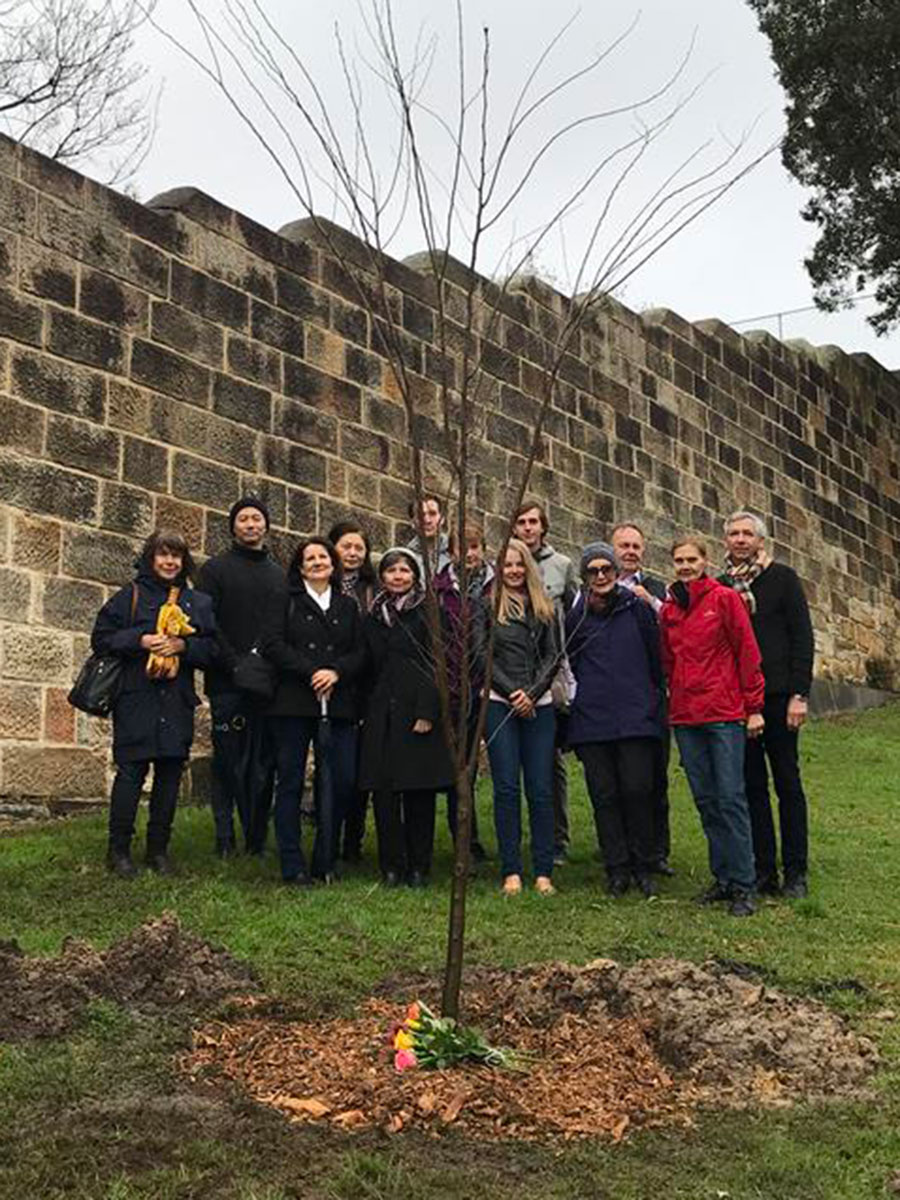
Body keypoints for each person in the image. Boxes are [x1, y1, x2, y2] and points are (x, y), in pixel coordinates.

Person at [91, 530, 216, 877]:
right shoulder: (128, 596)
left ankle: (158, 851)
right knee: (131, 773)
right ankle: (118, 851)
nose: (170, 561)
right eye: (163, 554)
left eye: (176, 556)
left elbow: (214, 649)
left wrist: (184, 647)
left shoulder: (197, 603)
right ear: (151, 557)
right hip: (136, 698)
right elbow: (101, 638)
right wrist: (141, 639)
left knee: (169, 775)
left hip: (176, 702)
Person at [660, 537, 765, 917]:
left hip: (723, 715)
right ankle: (722, 878)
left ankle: (743, 884)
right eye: (679, 560)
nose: (685, 565)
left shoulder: (724, 599)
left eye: (692, 559)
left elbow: (747, 652)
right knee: (706, 801)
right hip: (687, 718)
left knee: (730, 799)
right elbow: (668, 661)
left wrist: (753, 707)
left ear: (704, 562)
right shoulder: (670, 609)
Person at [722, 511, 815, 898]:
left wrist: (799, 694)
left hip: (779, 698)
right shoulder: (721, 586)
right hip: (741, 700)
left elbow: (802, 638)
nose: (741, 540)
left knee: (787, 783)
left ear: (760, 541)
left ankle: (795, 871)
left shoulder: (782, 579)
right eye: (734, 534)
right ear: (726, 541)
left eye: (748, 534)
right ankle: (763, 870)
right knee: (752, 787)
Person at [262, 537, 365, 885]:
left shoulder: (348, 606)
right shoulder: (284, 600)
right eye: (310, 558)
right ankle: (293, 865)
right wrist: (311, 672)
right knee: (290, 780)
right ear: (301, 566)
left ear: (333, 565)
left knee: (341, 780)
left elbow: (359, 652)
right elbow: (273, 644)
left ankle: (326, 858)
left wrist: (335, 671)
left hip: (337, 703)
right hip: (293, 702)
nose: (318, 562)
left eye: (324, 556)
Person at [566, 542, 663, 897]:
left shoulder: (637, 609)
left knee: (638, 790)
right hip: (593, 719)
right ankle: (617, 866)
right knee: (604, 795)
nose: (602, 575)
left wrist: (650, 700)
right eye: (593, 571)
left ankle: (643, 863)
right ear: (585, 576)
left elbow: (656, 658)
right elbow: (571, 662)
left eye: (607, 568)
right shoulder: (577, 617)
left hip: (636, 716)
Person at [358, 547, 454, 887]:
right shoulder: (372, 616)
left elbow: (438, 663)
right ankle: (391, 865)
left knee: (418, 794)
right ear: (382, 576)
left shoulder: (430, 612)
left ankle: (418, 866)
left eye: (405, 570)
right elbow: (366, 664)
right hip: (382, 712)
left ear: (415, 576)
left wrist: (428, 710)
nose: (398, 576)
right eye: (391, 570)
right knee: (384, 794)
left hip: (417, 710)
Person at [197, 497, 285, 857]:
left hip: (266, 682)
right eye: (244, 519)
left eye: (257, 519)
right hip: (226, 681)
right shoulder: (214, 570)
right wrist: (234, 663)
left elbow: (280, 625)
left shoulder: (279, 575)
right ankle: (224, 836)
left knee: (263, 763)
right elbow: (207, 621)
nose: (250, 525)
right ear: (234, 527)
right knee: (228, 761)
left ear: (266, 526)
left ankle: (255, 836)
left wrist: (261, 663)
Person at [485, 537, 560, 896]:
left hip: (539, 704)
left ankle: (543, 870)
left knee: (541, 788)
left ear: (527, 567)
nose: (513, 571)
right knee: (506, 788)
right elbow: (480, 655)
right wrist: (512, 691)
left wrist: (531, 693)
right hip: (499, 702)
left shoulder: (545, 607)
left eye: (519, 564)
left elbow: (553, 655)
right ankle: (511, 869)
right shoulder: (486, 605)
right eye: (507, 565)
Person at [512, 499, 578, 865]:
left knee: (550, 759)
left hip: (549, 671)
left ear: (544, 526)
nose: (528, 528)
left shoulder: (562, 566)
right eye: (521, 522)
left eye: (534, 521)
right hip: (512, 673)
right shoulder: (505, 564)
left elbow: (574, 614)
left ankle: (557, 839)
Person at [610, 521, 673, 876]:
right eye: (624, 545)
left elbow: (674, 628)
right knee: (619, 782)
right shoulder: (596, 587)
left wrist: (651, 603)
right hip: (612, 698)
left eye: (636, 546)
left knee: (654, 779)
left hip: (652, 697)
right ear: (612, 548)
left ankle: (656, 851)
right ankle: (623, 850)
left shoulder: (656, 589)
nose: (630, 551)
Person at [434, 522, 493, 864]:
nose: (469, 553)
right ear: (451, 551)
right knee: (458, 771)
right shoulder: (439, 589)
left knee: (475, 770)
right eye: (462, 547)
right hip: (452, 689)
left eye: (475, 546)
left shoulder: (494, 586)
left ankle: (474, 840)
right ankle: (463, 842)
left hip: (487, 689)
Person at [327, 519, 377, 862]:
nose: (353, 553)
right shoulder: (320, 586)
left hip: (368, 685)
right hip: (330, 684)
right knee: (334, 768)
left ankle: (352, 841)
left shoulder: (374, 589)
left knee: (362, 769)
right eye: (347, 546)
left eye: (359, 547)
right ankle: (328, 833)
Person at [406, 493, 453, 578]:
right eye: (420, 515)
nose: (427, 520)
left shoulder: (456, 552)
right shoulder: (407, 559)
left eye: (432, 514)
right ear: (412, 523)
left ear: (442, 519)